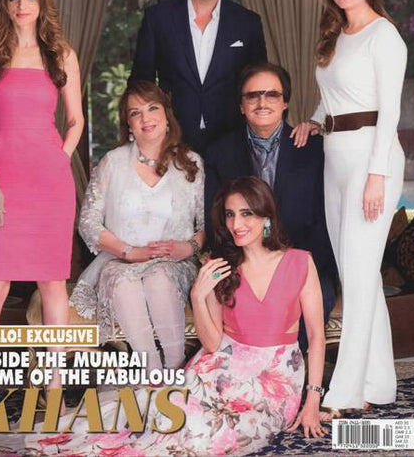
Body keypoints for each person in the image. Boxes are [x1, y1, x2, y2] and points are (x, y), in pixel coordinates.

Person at [28, 177, 327, 455]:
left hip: (274, 382)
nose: (236, 224)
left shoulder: (300, 262)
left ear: (266, 216)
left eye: (246, 214)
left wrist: (312, 400)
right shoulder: (219, 267)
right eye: (230, 215)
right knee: (164, 415)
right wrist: (199, 295)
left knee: (202, 434)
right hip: (222, 369)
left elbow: (315, 336)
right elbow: (212, 344)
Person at [292, 0, 407, 414]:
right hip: (335, 159)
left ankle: (342, 393)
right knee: (358, 275)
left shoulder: (385, 36)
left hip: (371, 161)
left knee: (358, 278)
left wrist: (377, 176)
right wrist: (314, 120)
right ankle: (379, 384)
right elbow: (335, 97)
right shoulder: (335, 34)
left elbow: (389, 112)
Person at [0, 0, 83, 394]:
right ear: (4, 3)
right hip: (0, 184)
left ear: (42, 3)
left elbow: (75, 120)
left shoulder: (62, 55)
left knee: (53, 284)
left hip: (50, 186)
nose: (23, 5)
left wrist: (60, 159)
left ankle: (54, 386)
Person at [70, 80, 204, 371]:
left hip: (173, 262)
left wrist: (188, 247)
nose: (145, 118)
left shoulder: (191, 163)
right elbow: (88, 222)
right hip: (120, 260)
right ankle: (151, 372)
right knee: (124, 283)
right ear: (128, 124)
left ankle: (176, 368)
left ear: (167, 116)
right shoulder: (112, 162)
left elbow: (207, 225)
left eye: (152, 108)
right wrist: (129, 252)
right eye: (135, 112)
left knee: (159, 279)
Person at [204, 63, 337, 350]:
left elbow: (323, 218)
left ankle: (292, 370)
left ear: (285, 102)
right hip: (241, 261)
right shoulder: (219, 152)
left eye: (272, 95)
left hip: (301, 258)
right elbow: (214, 218)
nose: (262, 102)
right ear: (241, 106)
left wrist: (297, 264)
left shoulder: (314, 150)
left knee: (322, 293)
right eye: (252, 96)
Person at [129, 0, 267, 154]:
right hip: (173, 141)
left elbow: (260, 86)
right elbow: (140, 83)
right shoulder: (158, 19)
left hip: (233, 143)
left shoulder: (247, 23)